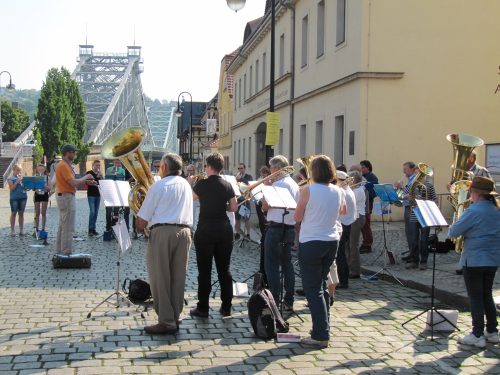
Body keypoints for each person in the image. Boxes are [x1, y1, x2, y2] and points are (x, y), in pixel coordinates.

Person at [136, 153, 193, 334]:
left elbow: (142, 221)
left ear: (164, 168)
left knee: (160, 277)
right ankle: (175, 316)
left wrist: (139, 225)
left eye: (160, 166)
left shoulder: (158, 186)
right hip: (184, 232)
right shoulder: (186, 184)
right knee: (178, 277)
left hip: (162, 233)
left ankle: (166, 321)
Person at [294, 155, 344, 347]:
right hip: (331, 241)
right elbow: (340, 212)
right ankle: (322, 327)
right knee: (322, 285)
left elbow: (297, 217)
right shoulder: (337, 190)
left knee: (312, 289)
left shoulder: (307, 190)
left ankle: (320, 334)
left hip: (311, 240)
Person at [448, 177, 500, 348]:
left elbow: (454, 231)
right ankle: (492, 331)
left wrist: (459, 215)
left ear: (476, 193)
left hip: (475, 259)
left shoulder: (474, 210)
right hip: (492, 259)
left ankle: (477, 333)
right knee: (486, 295)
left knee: (476, 297)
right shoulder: (496, 209)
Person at [190, 153, 238, 318]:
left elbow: (191, 198)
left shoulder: (202, 184)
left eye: (205, 166)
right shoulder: (227, 184)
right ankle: (226, 307)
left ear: (209, 167)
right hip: (224, 230)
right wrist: (221, 206)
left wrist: (192, 184)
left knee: (205, 271)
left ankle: (203, 308)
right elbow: (233, 208)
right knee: (224, 270)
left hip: (205, 230)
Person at [261, 155, 300, 310]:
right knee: (287, 264)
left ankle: (275, 299)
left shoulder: (277, 184)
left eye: (271, 168)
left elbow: (266, 207)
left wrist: (265, 189)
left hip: (276, 227)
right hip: (289, 228)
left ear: (276, 168)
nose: (270, 171)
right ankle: (289, 299)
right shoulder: (293, 183)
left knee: (271, 265)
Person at [55, 144, 94, 255]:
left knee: (63, 225)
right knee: (68, 226)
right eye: (73, 152)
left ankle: (59, 250)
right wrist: (87, 177)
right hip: (66, 197)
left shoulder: (65, 165)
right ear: (68, 153)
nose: (75, 154)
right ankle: (66, 251)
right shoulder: (64, 166)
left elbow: (72, 181)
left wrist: (86, 182)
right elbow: (73, 182)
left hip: (64, 195)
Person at [405, 171, 437, 270]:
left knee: (424, 240)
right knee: (414, 239)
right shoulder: (411, 185)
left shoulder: (429, 186)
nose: (418, 176)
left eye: (419, 174)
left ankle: (424, 262)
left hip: (425, 215)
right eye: (416, 174)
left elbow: (435, 200)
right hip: (414, 213)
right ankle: (414, 261)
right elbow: (403, 195)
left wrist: (428, 204)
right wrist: (408, 197)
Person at [336, 171, 357, 288]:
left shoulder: (343, 192)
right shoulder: (348, 190)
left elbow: (339, 211)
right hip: (346, 224)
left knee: (340, 255)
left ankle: (343, 281)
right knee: (341, 254)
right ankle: (342, 279)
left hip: (343, 224)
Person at [394, 161, 417, 260]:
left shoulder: (413, 181)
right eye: (403, 170)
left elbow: (404, 196)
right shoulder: (410, 180)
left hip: (412, 209)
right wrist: (399, 189)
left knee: (413, 233)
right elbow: (403, 196)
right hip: (407, 208)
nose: (404, 173)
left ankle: (414, 255)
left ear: (412, 169)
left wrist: (399, 188)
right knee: (408, 232)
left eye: (405, 170)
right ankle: (412, 253)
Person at [347, 171, 366, 278]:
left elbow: (349, 202)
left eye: (349, 179)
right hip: (353, 217)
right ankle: (349, 266)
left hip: (357, 217)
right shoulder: (354, 189)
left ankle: (355, 271)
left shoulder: (358, 190)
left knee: (353, 244)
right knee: (349, 244)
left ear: (354, 180)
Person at [359, 160, 378, 253]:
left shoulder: (372, 177)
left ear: (368, 167)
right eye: (360, 167)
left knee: (366, 224)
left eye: (362, 167)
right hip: (363, 204)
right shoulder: (363, 177)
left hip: (367, 204)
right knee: (363, 225)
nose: (361, 169)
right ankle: (365, 243)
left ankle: (368, 244)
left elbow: (373, 193)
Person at [8, 164, 28, 236]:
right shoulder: (10, 178)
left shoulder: (22, 178)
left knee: (21, 213)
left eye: (20, 170)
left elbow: (26, 188)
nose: (19, 172)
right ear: (14, 170)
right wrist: (16, 182)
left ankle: (21, 230)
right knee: (13, 213)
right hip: (14, 198)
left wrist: (24, 183)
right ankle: (12, 230)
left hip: (23, 197)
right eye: (17, 170)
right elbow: (12, 189)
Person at [235, 163, 253, 239]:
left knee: (246, 218)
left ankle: (248, 234)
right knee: (237, 218)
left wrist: (241, 179)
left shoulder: (249, 176)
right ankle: (237, 233)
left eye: (241, 168)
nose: (240, 170)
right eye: (238, 168)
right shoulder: (235, 177)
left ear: (245, 168)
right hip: (238, 199)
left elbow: (249, 185)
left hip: (246, 199)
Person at [33, 163, 51, 236]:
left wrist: (45, 186)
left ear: (44, 170)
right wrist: (34, 186)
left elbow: (50, 188)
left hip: (44, 194)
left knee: (43, 213)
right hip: (37, 194)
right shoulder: (35, 177)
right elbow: (33, 188)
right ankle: (36, 228)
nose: (40, 170)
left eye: (42, 169)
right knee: (37, 213)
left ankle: (43, 228)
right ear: (37, 169)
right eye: (39, 169)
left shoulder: (47, 177)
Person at [86, 160, 103, 236]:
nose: (98, 167)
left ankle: (93, 229)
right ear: (93, 165)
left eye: (99, 165)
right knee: (92, 211)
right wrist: (96, 177)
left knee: (96, 213)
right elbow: (89, 183)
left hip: (98, 195)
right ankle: (90, 229)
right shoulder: (89, 173)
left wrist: (101, 178)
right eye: (96, 165)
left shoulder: (100, 174)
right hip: (91, 195)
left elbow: (102, 184)